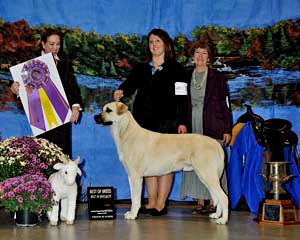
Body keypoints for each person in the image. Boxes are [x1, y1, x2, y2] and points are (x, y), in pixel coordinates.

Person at [113, 28, 189, 216]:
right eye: (151, 42)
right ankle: (151, 201)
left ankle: (161, 204)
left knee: (165, 163)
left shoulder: (177, 69)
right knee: (147, 163)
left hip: (167, 122)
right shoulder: (141, 68)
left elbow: (182, 98)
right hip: (142, 122)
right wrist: (121, 91)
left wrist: (182, 121)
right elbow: (129, 85)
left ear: (165, 44)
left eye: (157, 41)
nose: (154, 45)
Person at [10, 28, 83, 158]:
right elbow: (19, 87)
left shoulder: (64, 63)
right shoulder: (30, 62)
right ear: (43, 44)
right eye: (51, 44)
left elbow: (73, 88)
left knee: (62, 156)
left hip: (61, 117)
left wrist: (76, 107)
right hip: (39, 117)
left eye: (58, 44)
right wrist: (15, 89)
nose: (56, 48)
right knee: (41, 156)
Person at [180, 40, 233, 213]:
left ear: (209, 57)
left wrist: (227, 128)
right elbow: (179, 103)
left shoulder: (218, 77)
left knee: (212, 162)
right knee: (193, 161)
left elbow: (226, 105)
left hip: (213, 124)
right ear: (192, 56)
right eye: (197, 53)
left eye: (204, 53)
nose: (200, 57)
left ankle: (214, 200)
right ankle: (200, 200)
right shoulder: (183, 76)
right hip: (191, 125)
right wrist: (181, 123)